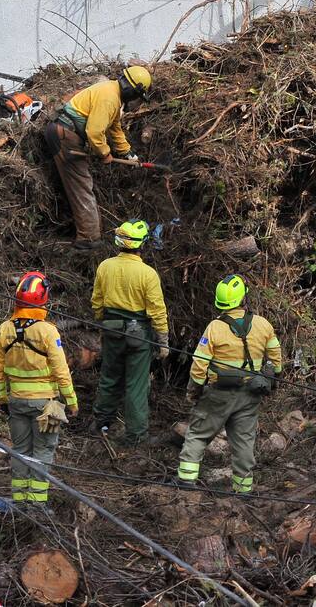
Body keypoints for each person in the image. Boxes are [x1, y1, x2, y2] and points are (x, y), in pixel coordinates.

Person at [177, 275, 281, 493]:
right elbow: (276, 358)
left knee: (198, 434)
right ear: (243, 297)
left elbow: (199, 364)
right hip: (250, 394)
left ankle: (186, 482)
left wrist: (193, 391)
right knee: (244, 442)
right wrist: (274, 379)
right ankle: (243, 490)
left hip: (218, 394)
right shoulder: (263, 325)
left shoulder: (214, 328)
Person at [0, 272, 77, 509]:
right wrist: (71, 401)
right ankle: (37, 506)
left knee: (20, 450)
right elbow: (61, 370)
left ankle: (19, 502)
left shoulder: (5, 329)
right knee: (43, 451)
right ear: (43, 299)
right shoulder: (48, 331)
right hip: (46, 405)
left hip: (16, 402)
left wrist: (0, 399)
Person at [43, 66, 152, 248]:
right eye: (137, 97)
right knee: (82, 186)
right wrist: (105, 153)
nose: (135, 101)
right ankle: (89, 240)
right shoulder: (109, 98)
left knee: (78, 184)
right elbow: (94, 132)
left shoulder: (112, 93)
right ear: (132, 91)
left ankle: (87, 234)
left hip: (63, 132)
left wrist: (127, 152)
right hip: (66, 135)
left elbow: (114, 127)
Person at [91, 220, 169, 446]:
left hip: (112, 330)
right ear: (142, 244)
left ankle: (101, 423)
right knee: (136, 384)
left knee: (109, 377)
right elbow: (157, 310)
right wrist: (162, 340)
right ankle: (136, 436)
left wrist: (101, 322)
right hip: (139, 335)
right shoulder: (148, 274)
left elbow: (97, 301)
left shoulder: (105, 266)